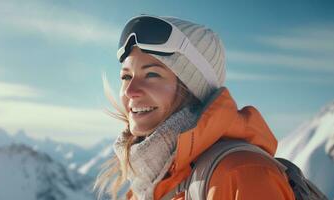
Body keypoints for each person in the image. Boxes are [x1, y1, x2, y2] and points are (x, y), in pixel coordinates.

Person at [95, 14, 295, 200]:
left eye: (152, 75)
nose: (130, 91)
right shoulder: (144, 187)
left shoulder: (242, 174)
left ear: (192, 90)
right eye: (126, 77)